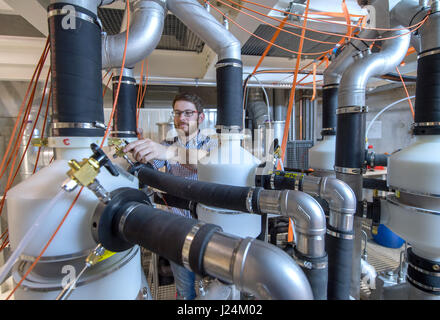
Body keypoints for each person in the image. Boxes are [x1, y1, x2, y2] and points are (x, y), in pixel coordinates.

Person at [123, 92, 217, 300]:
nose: (181, 118)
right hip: (178, 229)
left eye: (188, 113)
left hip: (208, 230)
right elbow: (151, 169)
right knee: (185, 291)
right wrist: (140, 151)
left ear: (200, 117)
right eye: (177, 113)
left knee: (210, 291)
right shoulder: (166, 144)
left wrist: (169, 153)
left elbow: (205, 162)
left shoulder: (212, 144)